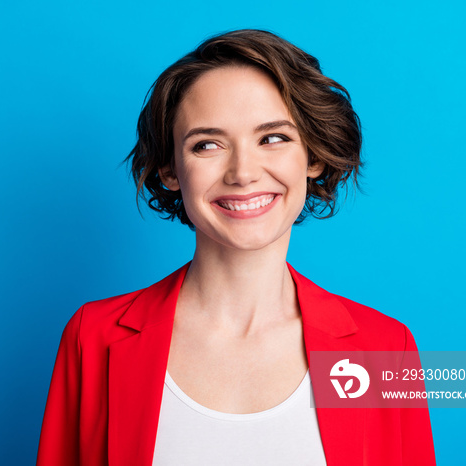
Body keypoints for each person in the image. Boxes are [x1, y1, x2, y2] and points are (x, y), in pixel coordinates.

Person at [36, 29, 436, 466]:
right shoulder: (93, 337)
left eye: (273, 138)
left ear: (313, 157)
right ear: (170, 169)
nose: (243, 172)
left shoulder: (384, 349)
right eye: (207, 144)